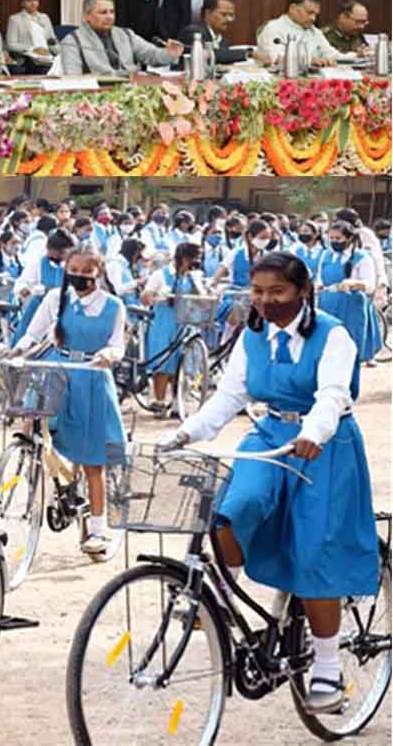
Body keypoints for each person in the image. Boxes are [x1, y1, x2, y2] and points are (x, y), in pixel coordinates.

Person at [163, 251, 378, 714]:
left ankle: (326, 667)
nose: (265, 301)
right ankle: (222, 594)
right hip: (269, 434)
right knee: (230, 508)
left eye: (277, 292)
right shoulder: (252, 335)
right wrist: (186, 432)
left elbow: (333, 394)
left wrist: (313, 432)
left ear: (302, 291)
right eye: (258, 292)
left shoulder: (332, 334)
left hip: (324, 444)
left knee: (313, 554)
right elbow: (229, 396)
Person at [14, 244, 127, 556]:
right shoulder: (55, 298)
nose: (78, 277)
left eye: (85, 272)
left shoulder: (113, 306)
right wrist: (15, 351)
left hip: (92, 375)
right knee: (33, 424)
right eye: (72, 271)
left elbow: (118, 345)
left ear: (99, 273)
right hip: (55, 370)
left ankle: (98, 530)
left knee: (92, 460)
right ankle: (49, 479)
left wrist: (108, 355)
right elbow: (33, 334)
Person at [141, 240, 206, 412]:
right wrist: (159, 297)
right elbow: (145, 296)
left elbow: (202, 299)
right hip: (164, 321)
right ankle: (160, 401)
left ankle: (178, 402)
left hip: (185, 320)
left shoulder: (193, 276)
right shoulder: (161, 275)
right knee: (163, 362)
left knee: (182, 362)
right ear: (183, 258)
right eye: (193, 258)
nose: (195, 262)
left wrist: (199, 285)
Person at [58, 0, 182, 76]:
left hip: (132, 90)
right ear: (87, 16)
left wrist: (170, 53)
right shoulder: (72, 42)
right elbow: (72, 80)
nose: (109, 17)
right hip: (97, 96)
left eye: (112, 12)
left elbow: (152, 55)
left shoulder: (126, 35)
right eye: (103, 12)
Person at [317, 220, 383, 371]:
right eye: (331, 238)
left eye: (338, 239)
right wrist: (319, 286)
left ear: (350, 238)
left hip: (352, 306)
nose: (334, 242)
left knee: (351, 345)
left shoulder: (362, 257)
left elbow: (369, 284)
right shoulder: (326, 255)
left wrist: (353, 283)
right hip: (328, 303)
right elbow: (320, 278)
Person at [179, 0, 271, 65]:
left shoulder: (223, 41)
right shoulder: (194, 33)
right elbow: (210, 55)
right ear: (208, 13)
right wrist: (249, 53)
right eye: (223, 14)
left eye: (231, 15)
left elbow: (224, 57)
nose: (229, 19)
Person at [257, 0, 339, 66]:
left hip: (314, 77)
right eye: (309, 13)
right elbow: (275, 58)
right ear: (293, 9)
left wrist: (350, 57)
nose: (313, 18)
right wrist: (309, 60)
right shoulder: (273, 27)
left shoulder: (314, 31)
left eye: (315, 14)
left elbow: (331, 54)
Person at [5, 0, 60, 72]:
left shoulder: (44, 17)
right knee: (44, 70)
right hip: (29, 58)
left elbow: (52, 40)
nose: (33, 3)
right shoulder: (15, 19)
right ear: (22, 3)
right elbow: (10, 44)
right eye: (29, 0)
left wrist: (60, 53)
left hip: (48, 56)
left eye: (35, 0)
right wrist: (33, 49)